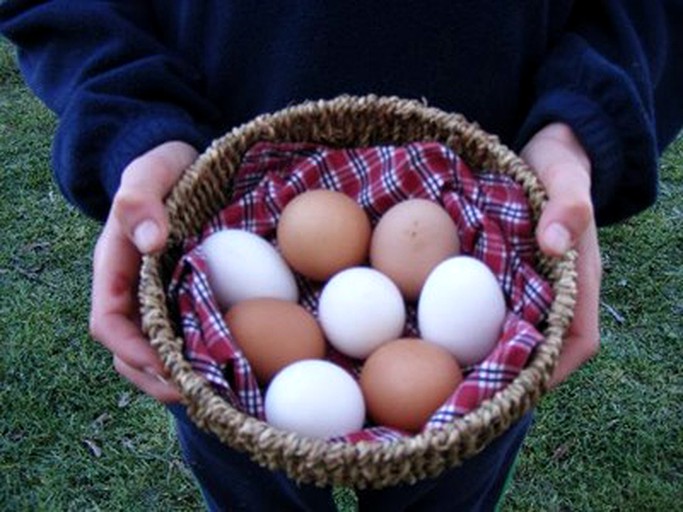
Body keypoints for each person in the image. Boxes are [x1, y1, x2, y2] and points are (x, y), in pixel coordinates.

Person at [1, 1, 681, 510]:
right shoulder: (229, 318)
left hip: (492, 242)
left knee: (445, 484)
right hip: (214, 234)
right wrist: (134, 121)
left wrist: (575, 126)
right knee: (258, 487)